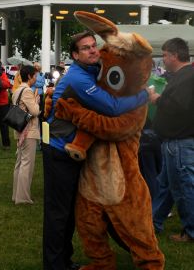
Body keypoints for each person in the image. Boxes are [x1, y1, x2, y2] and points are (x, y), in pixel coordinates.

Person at [42, 30, 152, 270]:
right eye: (85, 48)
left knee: (68, 212)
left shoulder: (91, 72)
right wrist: (144, 95)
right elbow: (111, 107)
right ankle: (54, 265)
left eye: (94, 46)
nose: (93, 50)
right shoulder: (79, 79)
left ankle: (63, 261)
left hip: (67, 150)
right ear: (75, 54)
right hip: (59, 152)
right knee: (58, 214)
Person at [150, 37, 194, 242]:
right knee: (165, 186)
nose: (164, 59)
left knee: (183, 189)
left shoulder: (187, 77)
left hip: (180, 142)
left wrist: (157, 99)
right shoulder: (181, 76)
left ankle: (191, 231)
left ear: (175, 55)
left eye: (166, 55)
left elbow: (180, 107)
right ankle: (153, 222)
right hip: (173, 142)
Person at [12, 65, 40, 204]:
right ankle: (23, 197)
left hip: (19, 129)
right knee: (26, 164)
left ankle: (16, 195)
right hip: (28, 130)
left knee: (20, 163)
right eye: (35, 76)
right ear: (29, 76)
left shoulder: (17, 90)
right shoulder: (27, 91)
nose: (36, 78)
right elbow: (34, 111)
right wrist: (37, 100)